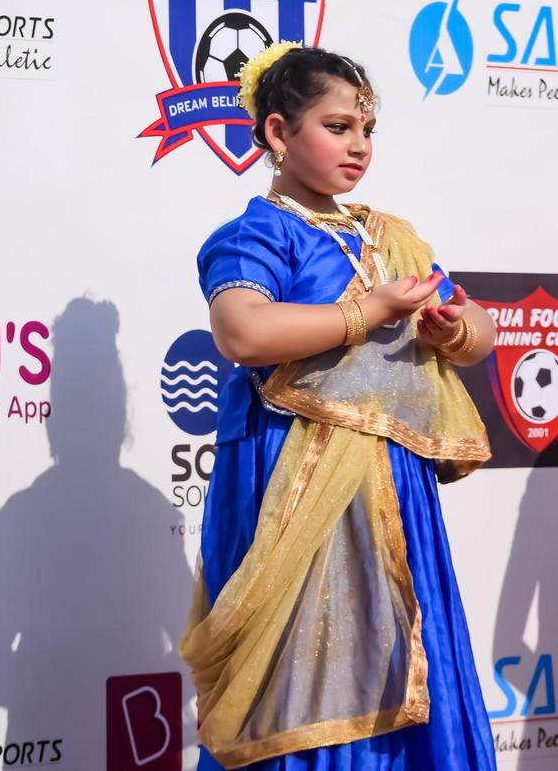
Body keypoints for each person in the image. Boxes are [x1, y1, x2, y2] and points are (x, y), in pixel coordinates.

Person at [184, 42, 498, 770]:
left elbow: (478, 331)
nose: (357, 146)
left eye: (366, 130)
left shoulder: (392, 238)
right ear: (276, 134)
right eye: (336, 127)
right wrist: (367, 312)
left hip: (392, 485)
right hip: (290, 482)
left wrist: (454, 330)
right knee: (303, 664)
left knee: (401, 650)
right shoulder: (258, 233)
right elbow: (242, 330)